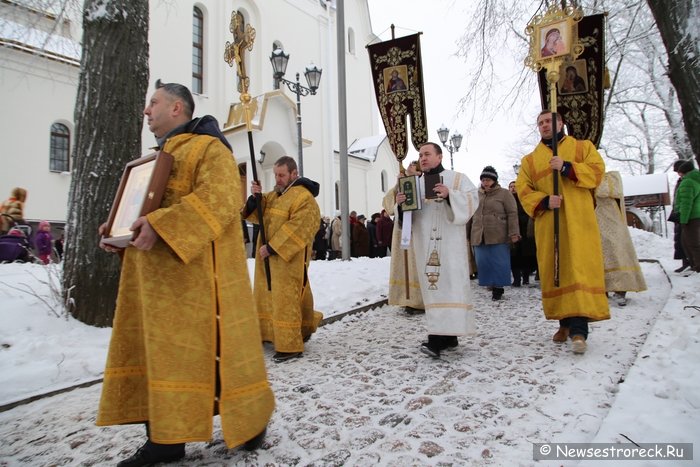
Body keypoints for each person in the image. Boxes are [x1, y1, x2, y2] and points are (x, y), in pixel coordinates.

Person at [96, 82, 274, 467]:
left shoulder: (208, 148)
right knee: (159, 359)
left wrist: (161, 225)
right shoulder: (153, 158)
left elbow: (222, 198)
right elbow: (144, 209)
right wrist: (117, 230)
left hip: (194, 281)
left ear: (178, 108)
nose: (147, 110)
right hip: (154, 283)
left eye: (153, 103)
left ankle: (249, 419)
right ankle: (165, 439)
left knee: (209, 354)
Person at [515, 110, 609, 355]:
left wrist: (567, 167)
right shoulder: (530, 160)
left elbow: (597, 173)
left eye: (549, 121)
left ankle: (579, 330)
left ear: (560, 123)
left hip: (578, 221)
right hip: (550, 223)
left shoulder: (582, 147)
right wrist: (545, 201)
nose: (545, 126)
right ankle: (564, 323)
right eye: (541, 123)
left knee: (578, 269)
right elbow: (524, 191)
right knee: (556, 270)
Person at [395, 142, 479, 358]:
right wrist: (401, 204)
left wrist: (450, 194)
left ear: (439, 157)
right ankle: (441, 338)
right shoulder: (414, 183)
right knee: (433, 290)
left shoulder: (457, 178)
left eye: (427, 154)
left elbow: (472, 199)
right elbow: (405, 219)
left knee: (451, 287)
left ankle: (446, 336)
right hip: (426, 245)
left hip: (451, 247)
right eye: (420, 155)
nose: (423, 158)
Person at [244, 156, 323, 362]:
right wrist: (255, 198)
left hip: (288, 261)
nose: (277, 179)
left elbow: (301, 226)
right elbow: (256, 215)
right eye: (276, 175)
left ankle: (290, 345)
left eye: (281, 175)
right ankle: (275, 334)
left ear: (294, 174)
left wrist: (272, 247)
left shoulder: (304, 198)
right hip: (268, 260)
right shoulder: (275, 195)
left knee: (286, 299)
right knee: (267, 297)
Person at [594, 171, 647, 306]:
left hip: (612, 220)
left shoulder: (611, 176)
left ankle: (621, 290)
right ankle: (602, 289)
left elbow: (606, 192)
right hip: (596, 221)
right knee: (599, 255)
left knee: (617, 253)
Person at [470, 166, 520, 301]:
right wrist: (467, 233)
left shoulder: (504, 194)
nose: (485, 182)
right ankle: (490, 283)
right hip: (479, 234)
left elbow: (512, 213)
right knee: (483, 261)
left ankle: (498, 288)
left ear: (494, 180)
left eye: (488, 179)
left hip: (499, 233)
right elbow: (470, 214)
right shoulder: (476, 194)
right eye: (483, 179)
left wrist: (514, 232)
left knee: (499, 262)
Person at [383, 185, 425, 314]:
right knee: (405, 265)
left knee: (419, 265)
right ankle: (407, 299)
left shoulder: (424, 182)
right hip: (402, 230)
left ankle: (422, 300)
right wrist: (397, 187)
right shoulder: (403, 184)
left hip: (422, 228)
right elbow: (388, 206)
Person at [508, 181, 537, 286]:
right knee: (514, 256)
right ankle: (516, 279)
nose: (513, 188)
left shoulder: (524, 199)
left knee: (526, 256)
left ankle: (525, 278)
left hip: (525, 231)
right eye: (511, 187)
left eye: (515, 186)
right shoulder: (508, 200)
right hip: (513, 231)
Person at [674, 160, 700, 273]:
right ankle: (695, 266)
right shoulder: (695, 179)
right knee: (690, 242)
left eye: (678, 171)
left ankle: (697, 267)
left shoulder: (688, 182)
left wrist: (683, 220)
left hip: (691, 217)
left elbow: (686, 203)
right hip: (696, 215)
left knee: (691, 243)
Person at [669, 160, 692, 272]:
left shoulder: (687, 181)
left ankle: (690, 262)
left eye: (679, 171)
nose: (678, 174)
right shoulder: (681, 181)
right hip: (679, 214)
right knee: (680, 239)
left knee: (687, 239)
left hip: (685, 214)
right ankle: (685, 262)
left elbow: (686, 200)